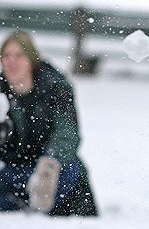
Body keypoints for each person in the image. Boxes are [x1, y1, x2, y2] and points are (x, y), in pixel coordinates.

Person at [0, 30, 98, 216]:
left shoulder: (55, 87)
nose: (12, 61)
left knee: (70, 172)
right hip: (13, 170)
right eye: (6, 55)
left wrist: (49, 165)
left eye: (19, 55)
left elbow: (67, 132)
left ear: (31, 59)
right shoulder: (1, 90)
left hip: (55, 171)